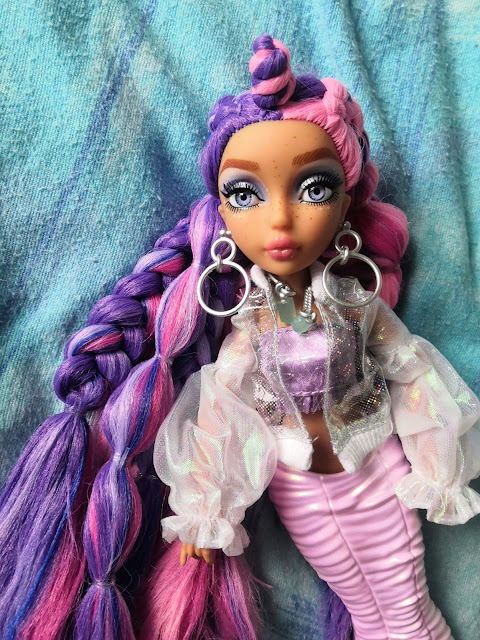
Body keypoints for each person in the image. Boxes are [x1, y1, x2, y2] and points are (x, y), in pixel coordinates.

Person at [1, 34, 479, 640]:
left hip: (372, 466)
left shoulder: (355, 305)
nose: (279, 220)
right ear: (223, 213)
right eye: (245, 194)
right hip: (297, 486)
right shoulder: (250, 323)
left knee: (409, 607)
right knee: (364, 609)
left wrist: (438, 464)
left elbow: (411, 370)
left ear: (346, 201)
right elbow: (222, 410)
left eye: (314, 189)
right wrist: (207, 508)